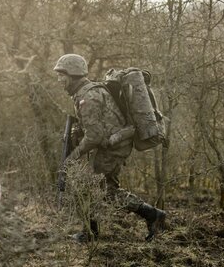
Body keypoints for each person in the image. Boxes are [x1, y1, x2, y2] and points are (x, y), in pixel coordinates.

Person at [54, 53, 166, 242]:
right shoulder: (86, 93)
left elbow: (94, 136)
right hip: (113, 143)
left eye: (61, 75)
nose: (59, 80)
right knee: (99, 188)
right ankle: (92, 231)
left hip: (115, 146)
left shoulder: (87, 96)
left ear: (72, 74)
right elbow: (96, 127)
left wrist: (73, 156)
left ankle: (151, 215)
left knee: (101, 189)